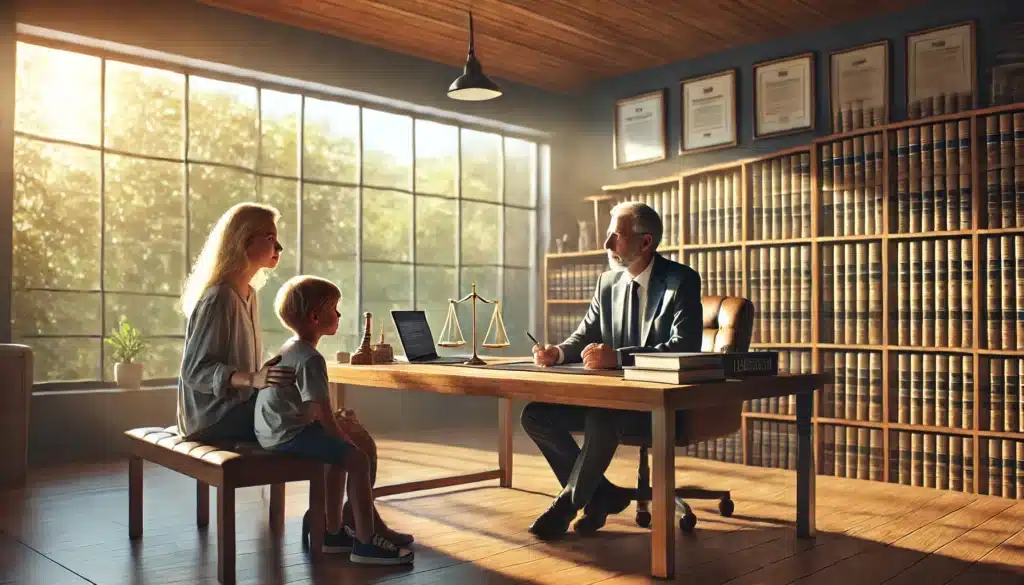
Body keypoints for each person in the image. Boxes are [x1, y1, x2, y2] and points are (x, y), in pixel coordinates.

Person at [523, 201, 703, 539]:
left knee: (602, 416)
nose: (606, 245)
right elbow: (586, 334)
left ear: (645, 242)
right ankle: (602, 495)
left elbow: (686, 345)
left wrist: (619, 358)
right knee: (535, 415)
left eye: (615, 237)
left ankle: (568, 504)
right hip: (610, 399)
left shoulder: (681, 281)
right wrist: (557, 353)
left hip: (659, 404)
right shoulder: (607, 282)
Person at [254, 275, 413, 565]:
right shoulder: (311, 359)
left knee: (338, 457)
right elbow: (324, 417)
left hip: (273, 430)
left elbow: (308, 406)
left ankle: (332, 532)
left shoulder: (290, 347)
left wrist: (337, 431)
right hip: (287, 435)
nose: (339, 314)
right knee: (356, 459)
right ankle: (365, 544)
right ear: (315, 317)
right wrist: (347, 440)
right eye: (334, 308)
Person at [176, 202, 296, 443]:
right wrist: (253, 379)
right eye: (270, 237)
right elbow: (194, 371)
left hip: (238, 407)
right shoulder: (219, 297)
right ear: (244, 241)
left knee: (318, 415)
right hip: (212, 419)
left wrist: (264, 375)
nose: (279, 247)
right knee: (312, 424)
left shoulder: (250, 295)